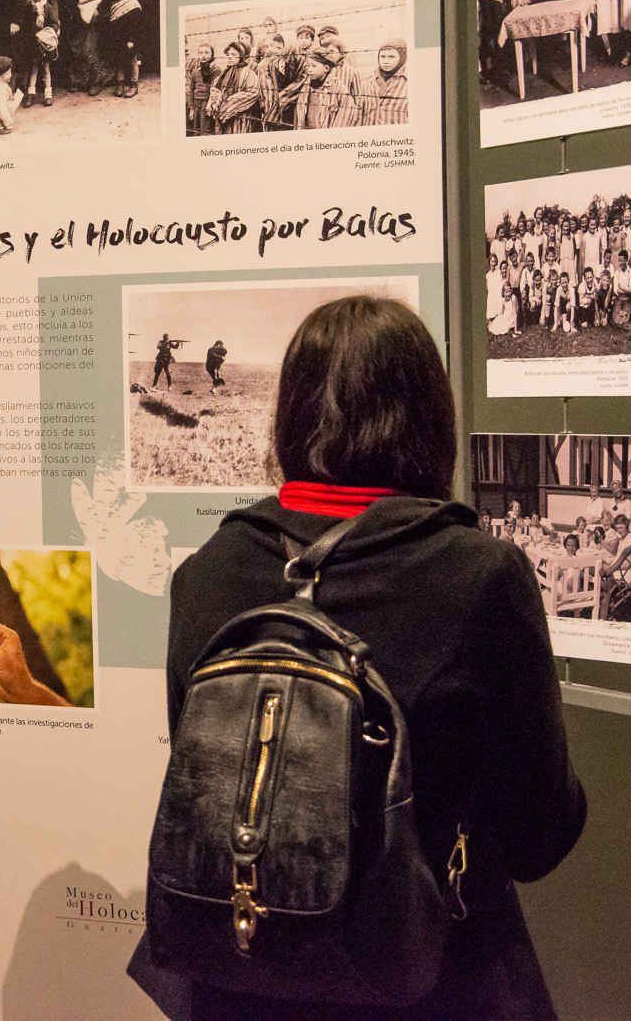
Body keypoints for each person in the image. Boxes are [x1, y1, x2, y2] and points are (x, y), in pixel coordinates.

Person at [162, 295, 585, 1020]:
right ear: (429, 416)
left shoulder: (208, 568)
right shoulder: (480, 576)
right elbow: (538, 838)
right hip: (428, 979)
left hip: (238, 973)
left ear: (290, 414)